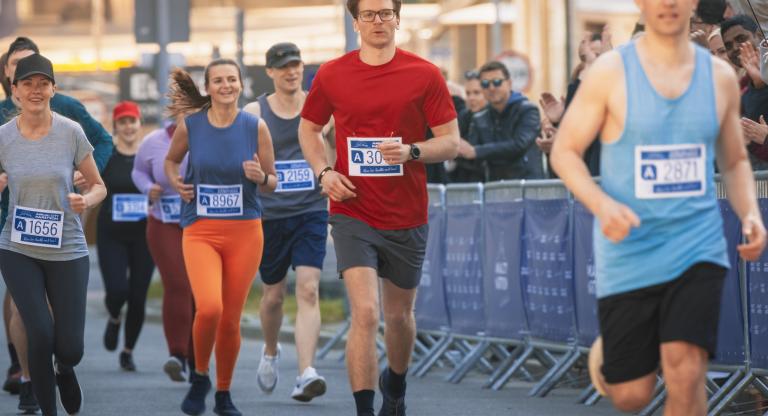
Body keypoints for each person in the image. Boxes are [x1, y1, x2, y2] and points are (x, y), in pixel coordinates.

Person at [550, 0, 767, 414]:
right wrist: (601, 204)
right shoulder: (611, 71)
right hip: (629, 249)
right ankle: (614, 354)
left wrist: (750, 214)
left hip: (696, 245)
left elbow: (735, 159)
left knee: (685, 372)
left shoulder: (718, 76)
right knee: (632, 395)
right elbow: (565, 151)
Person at [298, 0, 459, 414]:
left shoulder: (424, 74)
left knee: (399, 316)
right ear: (356, 23)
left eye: (385, 13)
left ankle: (397, 385)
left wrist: (412, 151)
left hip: (407, 213)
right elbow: (309, 128)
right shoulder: (333, 74)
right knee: (366, 313)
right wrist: (324, 172)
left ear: (398, 19)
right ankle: (365, 410)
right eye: (368, 15)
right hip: (353, 209)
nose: (378, 21)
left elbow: (451, 141)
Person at [0, 36, 113, 413]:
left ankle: (65, 368)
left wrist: (86, 199)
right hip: (18, 248)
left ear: (53, 89)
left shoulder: (70, 132)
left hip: (67, 248)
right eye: (27, 83)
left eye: (42, 83)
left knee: (70, 347)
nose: (35, 90)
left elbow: (99, 185)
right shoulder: (2, 138)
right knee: (40, 332)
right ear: (13, 89)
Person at [165, 58, 277, 416]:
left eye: (232, 79)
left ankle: (223, 394)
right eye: (218, 81)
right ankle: (200, 376)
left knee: (230, 318)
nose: (226, 85)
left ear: (241, 85)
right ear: (207, 88)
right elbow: (171, 161)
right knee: (209, 306)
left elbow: (273, 183)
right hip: (201, 228)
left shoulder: (255, 126)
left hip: (245, 230)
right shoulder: (192, 125)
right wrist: (175, 182)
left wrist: (260, 176)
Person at [243, 42, 329, 402]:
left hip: (311, 209)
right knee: (274, 295)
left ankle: (306, 372)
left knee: (308, 288)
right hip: (271, 213)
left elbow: (336, 147)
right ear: (270, 72)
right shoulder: (254, 111)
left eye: (296, 65)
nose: (291, 72)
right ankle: (271, 350)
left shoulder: (320, 107)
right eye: (283, 67)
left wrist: (332, 177)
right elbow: (241, 157)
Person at [132, 121, 195, 382]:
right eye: (182, 107)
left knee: (201, 292)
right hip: (163, 223)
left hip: (200, 222)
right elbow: (138, 172)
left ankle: (197, 359)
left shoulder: (208, 137)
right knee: (178, 284)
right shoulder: (153, 141)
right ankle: (178, 355)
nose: (187, 114)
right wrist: (149, 188)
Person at [97, 101, 155, 372]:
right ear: (116, 126)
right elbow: (93, 182)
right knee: (118, 289)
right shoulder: (107, 155)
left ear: (140, 124)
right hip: (112, 234)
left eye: (133, 121)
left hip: (145, 235)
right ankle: (114, 315)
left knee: (139, 295)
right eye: (123, 122)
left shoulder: (150, 155)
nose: (129, 126)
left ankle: (128, 350)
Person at [461, 60, 544, 180]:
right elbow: (471, 156)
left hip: (527, 187)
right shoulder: (480, 117)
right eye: (485, 84)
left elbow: (519, 145)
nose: (491, 88)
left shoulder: (528, 110)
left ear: (509, 83)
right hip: (495, 189)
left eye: (497, 82)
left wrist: (477, 151)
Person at [447, 71, 487, 183]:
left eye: (477, 93)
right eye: (468, 94)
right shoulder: (464, 117)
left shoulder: (493, 118)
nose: (471, 98)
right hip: (462, 182)